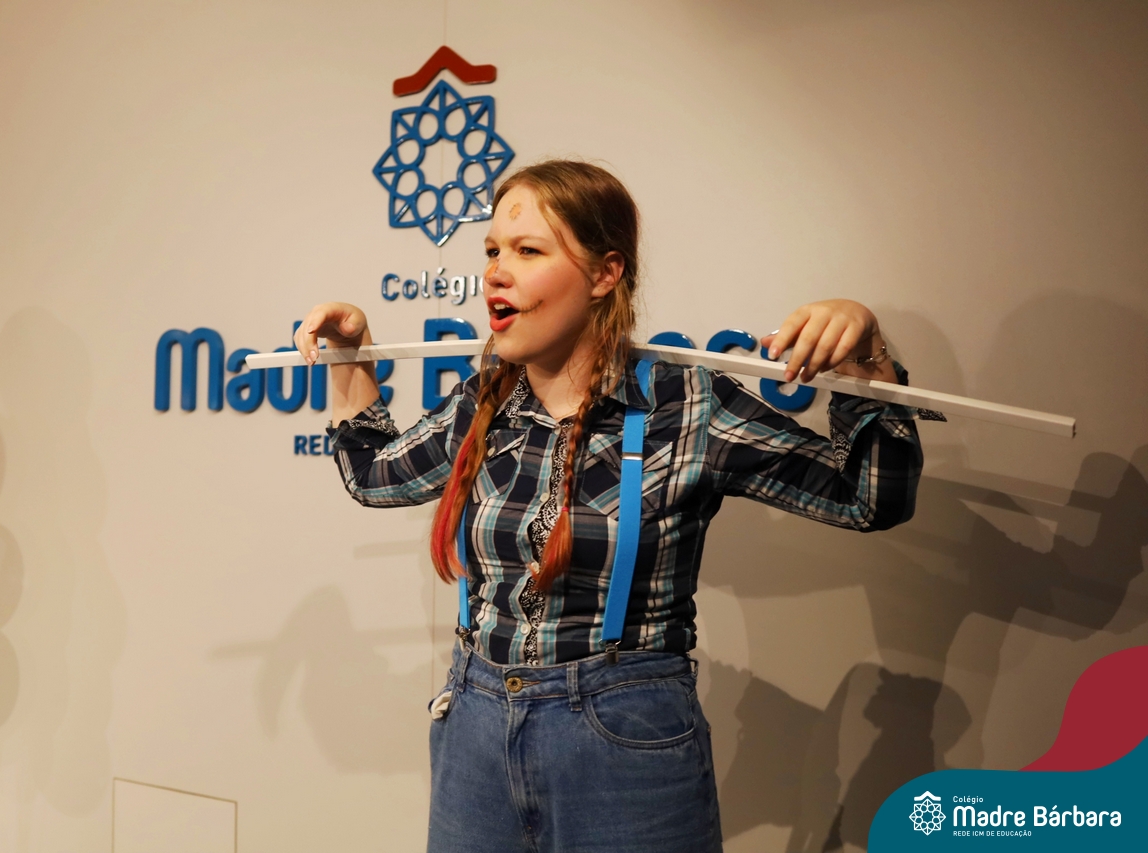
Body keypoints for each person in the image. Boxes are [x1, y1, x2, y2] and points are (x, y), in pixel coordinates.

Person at [295, 160, 923, 853]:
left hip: (623, 740)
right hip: (475, 727)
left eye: (528, 251)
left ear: (605, 273)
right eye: (493, 250)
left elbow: (867, 497)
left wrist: (865, 357)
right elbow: (374, 476)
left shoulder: (685, 406)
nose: (496, 271)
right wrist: (349, 358)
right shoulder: (485, 401)